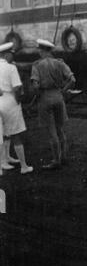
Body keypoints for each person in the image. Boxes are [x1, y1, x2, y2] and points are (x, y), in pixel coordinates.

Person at [31, 39, 75, 170]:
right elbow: (72, 80)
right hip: (58, 96)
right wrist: (63, 90)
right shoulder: (60, 63)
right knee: (60, 129)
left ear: (42, 51)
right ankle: (64, 157)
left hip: (45, 98)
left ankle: (56, 160)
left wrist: (38, 95)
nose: (39, 52)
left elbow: (35, 85)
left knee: (52, 132)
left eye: (39, 50)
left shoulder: (37, 65)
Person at [0, 42, 33, 175]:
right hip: (10, 101)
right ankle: (24, 166)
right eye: (11, 54)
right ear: (6, 54)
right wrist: (19, 101)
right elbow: (17, 88)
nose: (12, 57)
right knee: (16, 134)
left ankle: (2, 164)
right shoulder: (11, 68)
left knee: (1, 134)